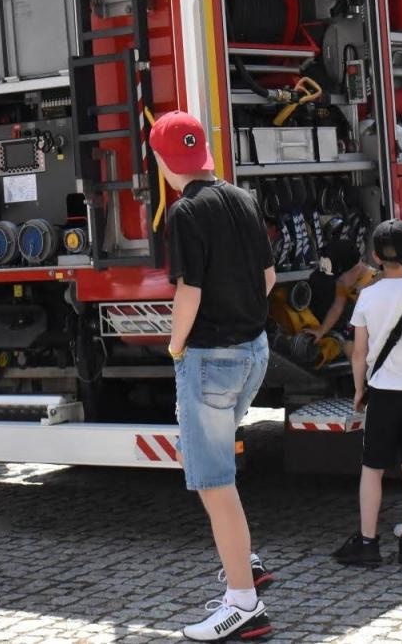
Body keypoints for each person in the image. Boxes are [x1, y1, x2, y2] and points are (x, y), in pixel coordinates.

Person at [152, 110, 275, 642]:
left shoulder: (184, 213)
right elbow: (268, 277)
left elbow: (189, 293)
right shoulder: (242, 199)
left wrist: (176, 345)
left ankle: (243, 603)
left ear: (162, 161)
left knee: (214, 483)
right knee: (221, 468)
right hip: (255, 351)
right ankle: (243, 564)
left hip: (209, 358)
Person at [333, 219, 402, 569]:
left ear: (375, 257)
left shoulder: (367, 296)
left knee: (373, 469)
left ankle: (368, 541)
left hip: (382, 393)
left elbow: (359, 352)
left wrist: (358, 389)